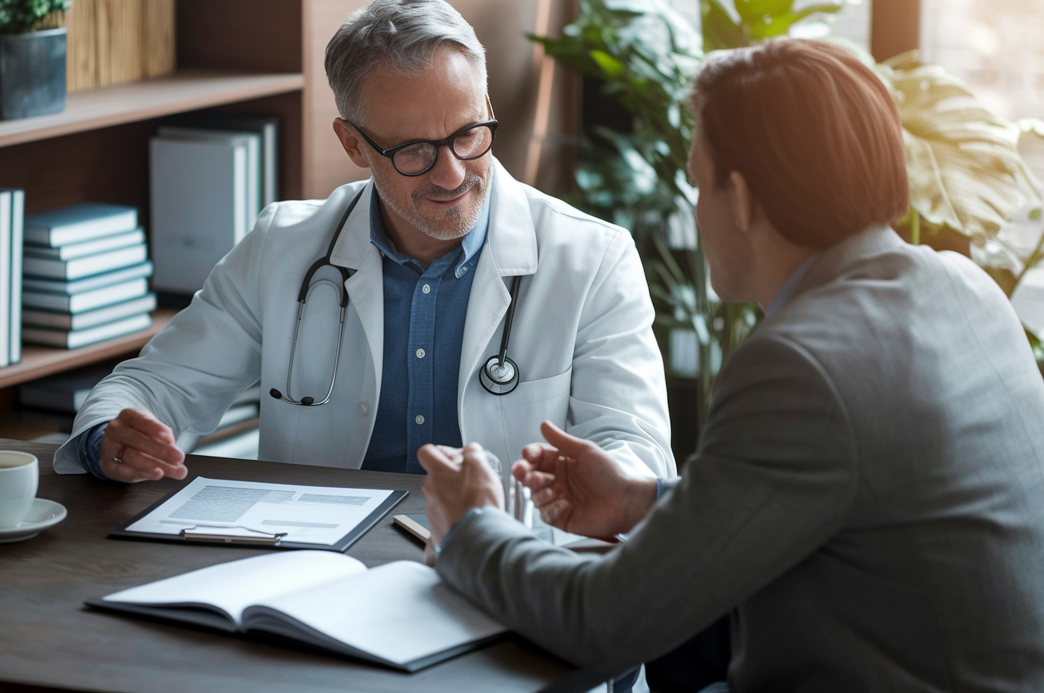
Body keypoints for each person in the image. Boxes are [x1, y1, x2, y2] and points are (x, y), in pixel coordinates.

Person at [419, 38, 1044, 690]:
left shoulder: (803, 364)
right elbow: (845, 499)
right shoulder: (964, 287)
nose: (696, 207)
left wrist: (472, 529)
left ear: (740, 197)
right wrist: (642, 501)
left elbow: (603, 622)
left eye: (697, 181)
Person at [53, 0, 674, 484]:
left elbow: (639, 452)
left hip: (516, 571)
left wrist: (590, 486)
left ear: (486, 104)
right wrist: (113, 436)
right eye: (413, 150)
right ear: (353, 144)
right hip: (317, 574)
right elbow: (154, 386)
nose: (452, 172)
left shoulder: (592, 258)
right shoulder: (283, 248)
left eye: (467, 134)